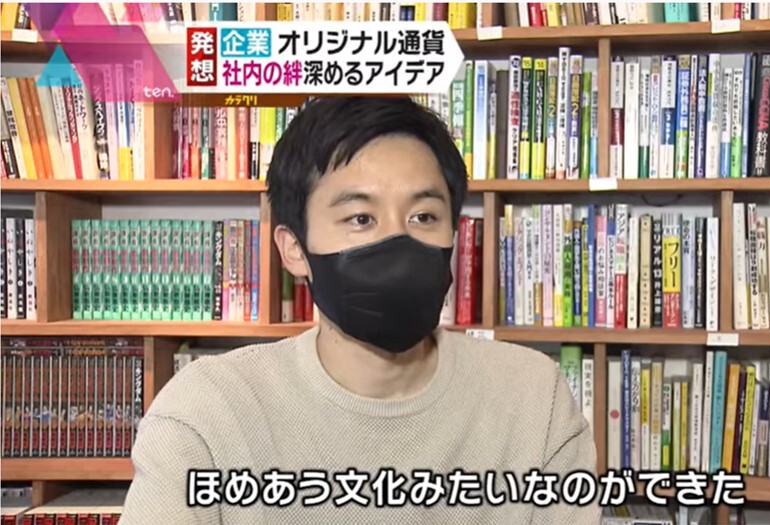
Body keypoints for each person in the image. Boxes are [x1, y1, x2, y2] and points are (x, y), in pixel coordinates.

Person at [120, 95, 601, 524]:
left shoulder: (534, 398)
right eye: (361, 218)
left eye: (424, 216)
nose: (397, 242)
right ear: (294, 249)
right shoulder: (207, 412)